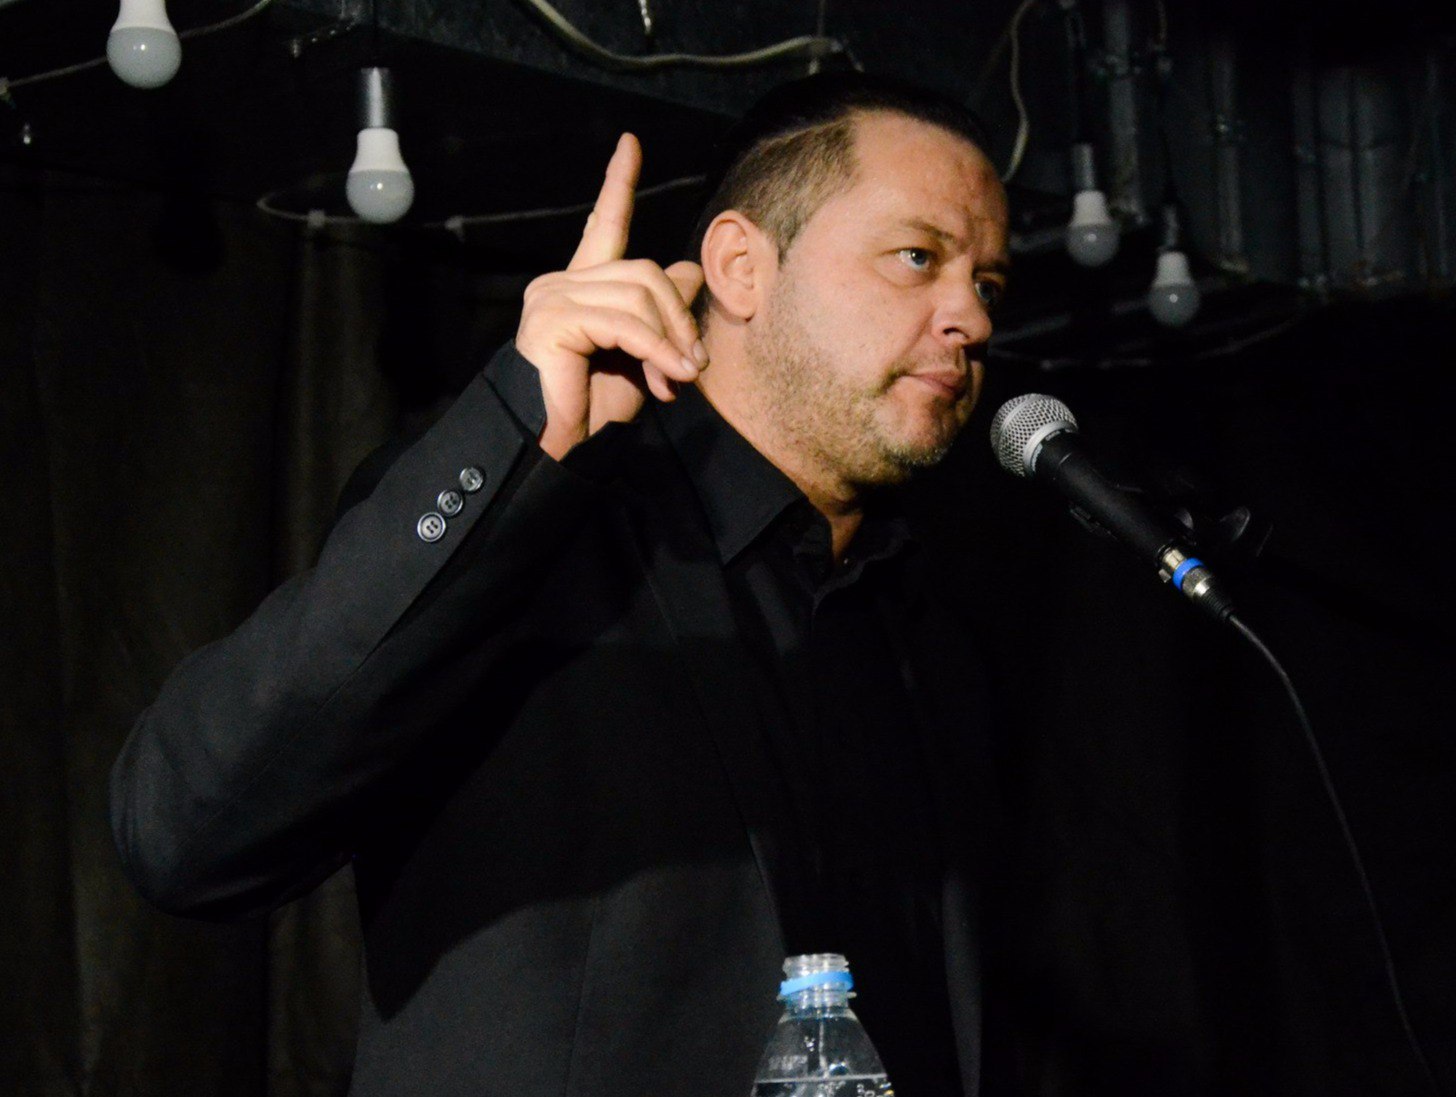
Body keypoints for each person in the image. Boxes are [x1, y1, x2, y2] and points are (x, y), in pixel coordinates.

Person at [109, 73, 1013, 1097]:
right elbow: (186, 832)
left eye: (988, 284)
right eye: (917, 257)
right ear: (741, 266)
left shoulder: (926, 631)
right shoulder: (535, 519)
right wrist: (518, 432)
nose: (969, 318)